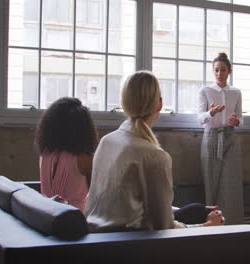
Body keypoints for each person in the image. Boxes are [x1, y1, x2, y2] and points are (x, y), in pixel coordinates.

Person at [84, 71, 225, 232]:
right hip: (125, 248)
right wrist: (207, 227)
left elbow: (128, 204)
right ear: (159, 104)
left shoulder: (107, 141)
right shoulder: (153, 156)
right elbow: (165, 228)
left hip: (94, 238)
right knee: (212, 224)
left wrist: (188, 212)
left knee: (196, 209)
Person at [197, 52, 244, 225]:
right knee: (211, 184)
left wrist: (237, 121)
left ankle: (232, 225)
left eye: (223, 70)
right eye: (216, 70)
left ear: (229, 71)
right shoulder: (205, 91)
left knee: (231, 185)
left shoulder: (236, 92)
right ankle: (212, 226)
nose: (219, 74)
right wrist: (212, 112)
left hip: (230, 138)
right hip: (211, 138)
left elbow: (240, 117)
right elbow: (200, 118)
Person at [35, 97, 99, 211]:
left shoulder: (45, 154)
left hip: (46, 214)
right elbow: (96, 197)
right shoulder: (85, 158)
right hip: (75, 220)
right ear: (84, 128)